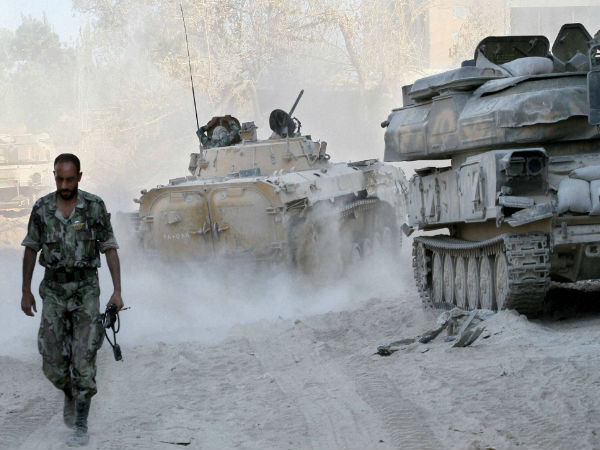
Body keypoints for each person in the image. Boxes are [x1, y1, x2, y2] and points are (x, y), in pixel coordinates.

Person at [20, 153, 123, 447]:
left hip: (86, 289)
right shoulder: (42, 208)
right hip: (53, 289)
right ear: (54, 176)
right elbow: (31, 249)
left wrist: (117, 291)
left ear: (79, 177)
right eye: (59, 179)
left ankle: (80, 422)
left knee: (84, 355)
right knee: (52, 359)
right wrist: (25, 290)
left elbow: (109, 247)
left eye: (69, 179)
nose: (64, 185)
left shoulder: (94, 206)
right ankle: (68, 391)